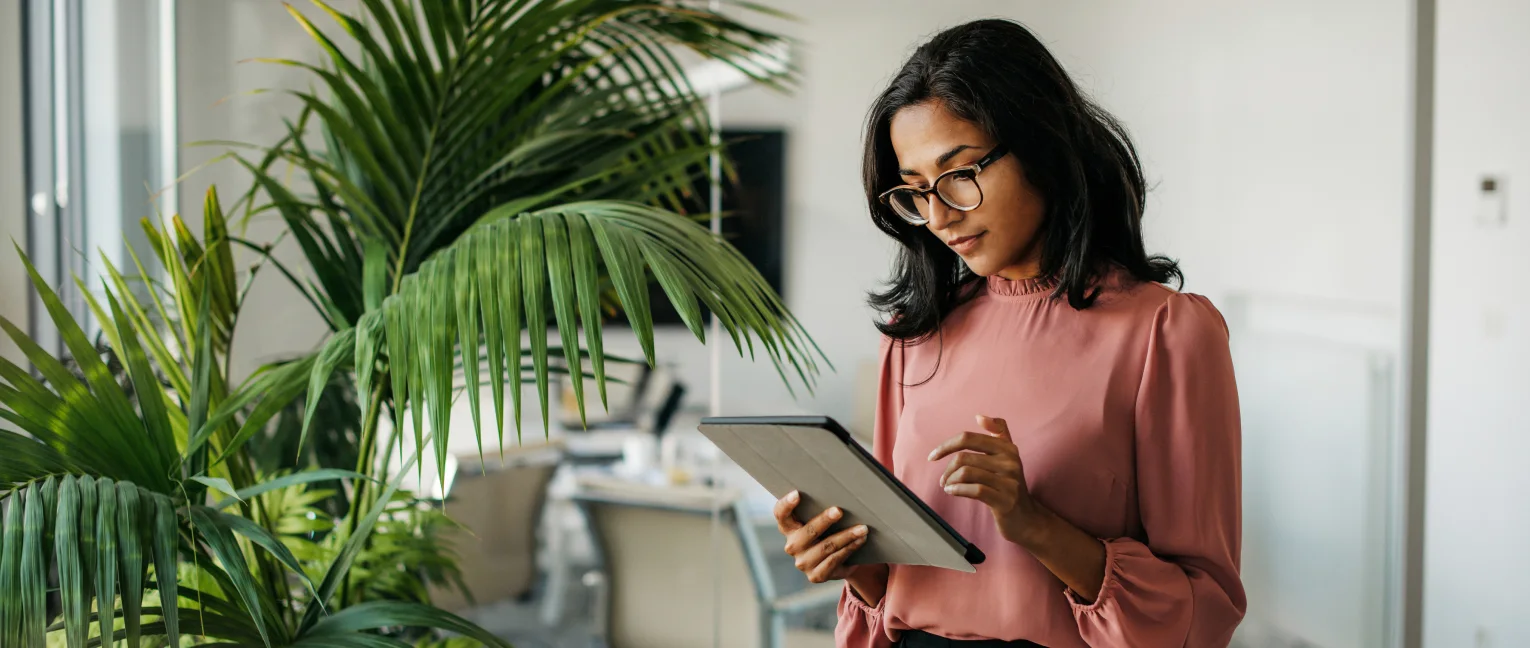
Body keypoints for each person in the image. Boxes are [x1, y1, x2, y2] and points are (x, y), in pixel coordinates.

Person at [771, 19, 1246, 648]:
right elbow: (895, 590)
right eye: (915, 192)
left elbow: (1201, 610)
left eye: (960, 173)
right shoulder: (913, 336)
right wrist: (850, 562)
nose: (938, 217)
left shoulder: (1166, 332)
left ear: (1041, 147)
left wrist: (1033, 523)